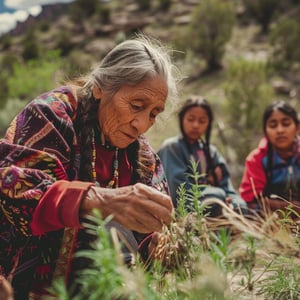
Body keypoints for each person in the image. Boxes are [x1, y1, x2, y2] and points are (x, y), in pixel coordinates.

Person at [0, 33, 180, 299]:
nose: (141, 124)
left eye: (153, 113)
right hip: (20, 280)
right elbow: (16, 191)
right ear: (101, 87)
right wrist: (103, 201)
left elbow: (151, 228)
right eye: (136, 106)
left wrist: (165, 243)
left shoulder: (140, 154)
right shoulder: (51, 115)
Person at [158, 96, 247, 216]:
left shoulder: (211, 152)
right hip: (183, 210)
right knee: (218, 197)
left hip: (214, 201)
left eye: (202, 121)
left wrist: (236, 203)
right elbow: (178, 193)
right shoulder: (171, 148)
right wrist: (218, 196)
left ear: (208, 124)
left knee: (241, 207)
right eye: (190, 119)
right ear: (181, 119)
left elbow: (227, 187)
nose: (195, 125)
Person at [239, 100, 300, 216]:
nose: (280, 130)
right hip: (268, 218)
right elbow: (250, 199)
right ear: (265, 131)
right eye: (273, 125)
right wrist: (291, 208)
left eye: (286, 124)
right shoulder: (257, 159)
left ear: (297, 127)